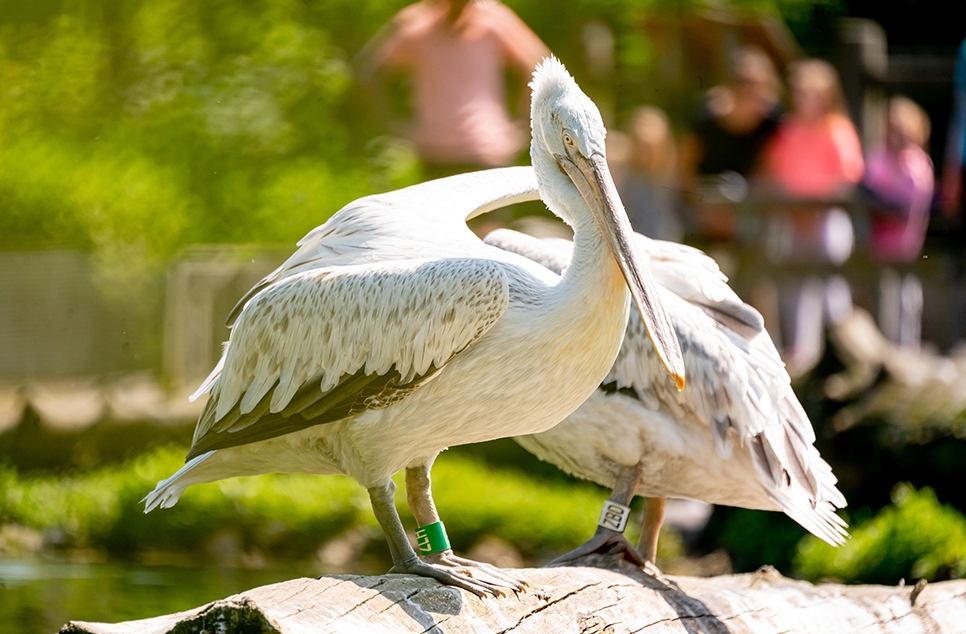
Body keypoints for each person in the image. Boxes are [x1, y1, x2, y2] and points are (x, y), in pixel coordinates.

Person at [360, 0, 550, 173]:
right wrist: (392, 125)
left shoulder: (492, 22)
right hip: (437, 153)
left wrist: (527, 126)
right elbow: (370, 70)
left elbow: (539, 63)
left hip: (486, 151)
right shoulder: (420, 27)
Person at [760, 59, 864, 374]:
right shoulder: (789, 131)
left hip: (827, 217)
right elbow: (776, 173)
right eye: (800, 92)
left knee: (831, 285)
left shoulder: (838, 129)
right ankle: (801, 355)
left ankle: (843, 349)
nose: (805, 98)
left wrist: (815, 209)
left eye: (811, 92)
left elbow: (848, 176)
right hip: (793, 218)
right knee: (793, 286)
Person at [678, 46, 782, 239]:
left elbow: (768, 172)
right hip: (703, 211)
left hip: (750, 214)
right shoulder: (705, 119)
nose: (750, 91)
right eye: (744, 83)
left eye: (757, 84)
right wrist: (703, 210)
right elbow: (685, 171)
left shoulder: (773, 124)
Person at [863, 96, 935, 349]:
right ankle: (882, 351)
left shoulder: (917, 163)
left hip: (905, 245)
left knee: (906, 300)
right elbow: (864, 191)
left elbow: (907, 204)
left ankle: (907, 350)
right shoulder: (877, 159)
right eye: (893, 129)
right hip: (876, 244)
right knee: (882, 300)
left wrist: (880, 203)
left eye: (904, 130)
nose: (898, 136)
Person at [611, 106, 684, 242]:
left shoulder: (669, 176)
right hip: (629, 239)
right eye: (641, 145)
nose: (647, 154)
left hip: (662, 240)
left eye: (652, 148)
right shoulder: (624, 174)